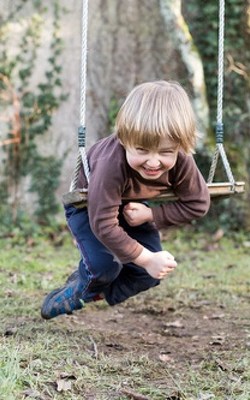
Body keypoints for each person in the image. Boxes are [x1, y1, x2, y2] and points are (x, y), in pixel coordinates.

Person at [41, 80, 210, 320]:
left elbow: (198, 203)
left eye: (165, 152)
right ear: (124, 138)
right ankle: (76, 291)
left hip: (133, 206)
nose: (153, 162)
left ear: (180, 145)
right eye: (142, 150)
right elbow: (104, 225)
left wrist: (151, 215)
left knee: (148, 275)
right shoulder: (111, 164)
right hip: (89, 209)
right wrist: (148, 258)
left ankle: (93, 292)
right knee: (104, 268)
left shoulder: (181, 159)